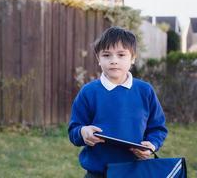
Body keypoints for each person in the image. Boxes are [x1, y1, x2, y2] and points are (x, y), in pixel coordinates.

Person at [68, 26, 168, 178]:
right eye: (107, 55)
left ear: (132, 58)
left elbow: (158, 128)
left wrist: (151, 145)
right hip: (99, 173)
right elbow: (74, 130)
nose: (114, 61)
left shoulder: (145, 91)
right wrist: (83, 132)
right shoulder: (88, 92)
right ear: (98, 59)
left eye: (121, 55)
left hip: (136, 171)